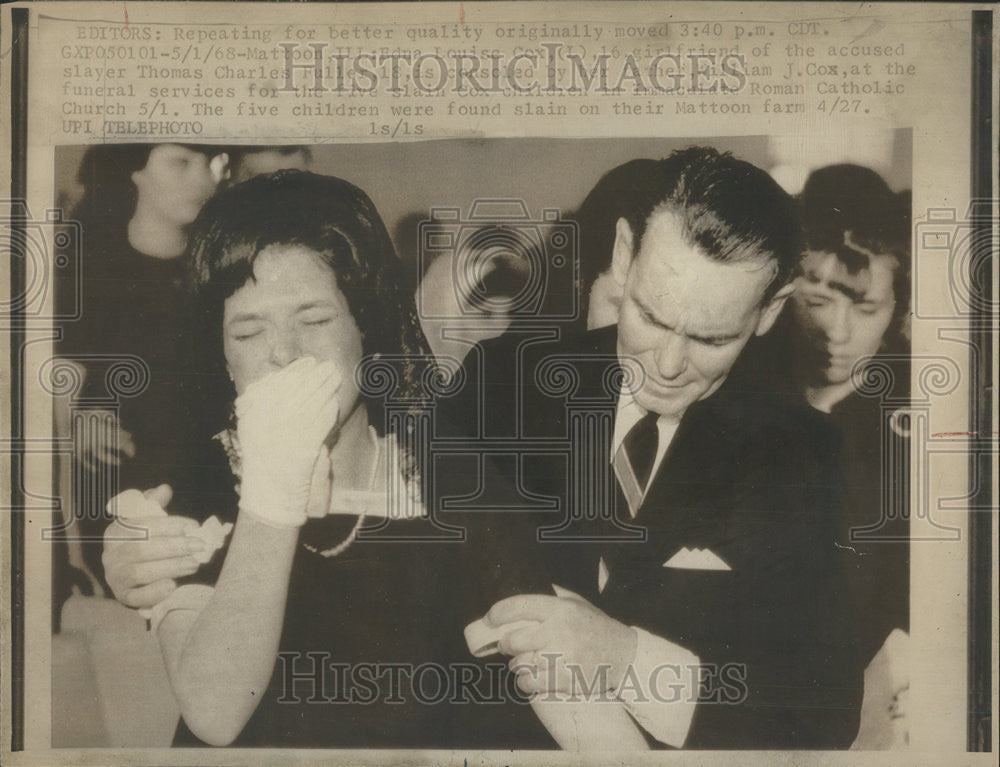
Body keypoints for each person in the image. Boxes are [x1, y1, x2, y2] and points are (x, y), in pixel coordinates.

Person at [104, 170, 555, 748]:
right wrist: (274, 483)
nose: (284, 354)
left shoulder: (449, 477)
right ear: (221, 357)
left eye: (314, 321)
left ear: (367, 325)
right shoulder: (198, 485)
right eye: (247, 332)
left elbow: (555, 683)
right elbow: (215, 713)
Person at [443, 147, 865, 748]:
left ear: (770, 311)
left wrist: (624, 657)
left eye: (711, 338)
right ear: (623, 255)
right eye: (650, 317)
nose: (668, 365)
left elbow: (821, 712)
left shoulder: (800, 453)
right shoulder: (499, 382)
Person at [740, 166, 912, 746]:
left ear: (900, 310)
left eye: (866, 311)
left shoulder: (919, 419)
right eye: (816, 301)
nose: (837, 332)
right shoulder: (740, 391)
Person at [56, 143, 227, 594]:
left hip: (212, 486)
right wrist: (72, 425)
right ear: (135, 172)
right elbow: (57, 384)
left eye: (211, 164)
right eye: (181, 163)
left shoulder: (220, 271)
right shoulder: (89, 266)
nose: (204, 180)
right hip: (122, 486)